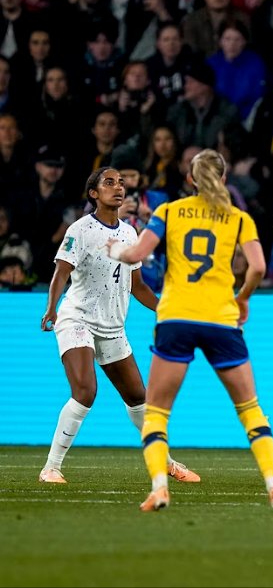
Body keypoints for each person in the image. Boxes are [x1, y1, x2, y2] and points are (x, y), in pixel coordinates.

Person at [105, 149, 273, 513]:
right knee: (251, 410)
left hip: (176, 316)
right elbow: (256, 266)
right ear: (224, 179)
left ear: (190, 179)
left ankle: (160, 489)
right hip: (220, 318)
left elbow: (135, 256)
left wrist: (116, 247)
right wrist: (242, 297)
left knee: (158, 412)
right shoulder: (238, 218)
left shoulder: (168, 212)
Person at [38, 167, 199, 486]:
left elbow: (137, 285)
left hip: (112, 326)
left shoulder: (129, 234)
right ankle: (51, 467)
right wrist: (52, 309)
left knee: (139, 397)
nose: (118, 187)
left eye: (121, 182)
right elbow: (62, 273)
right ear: (94, 193)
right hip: (77, 318)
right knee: (85, 391)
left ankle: (164, 461)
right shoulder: (80, 230)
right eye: (109, 183)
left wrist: (166, 309)